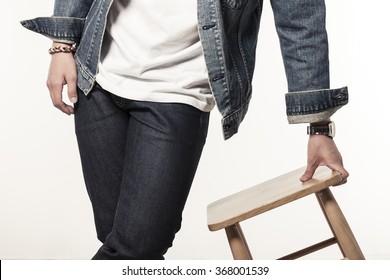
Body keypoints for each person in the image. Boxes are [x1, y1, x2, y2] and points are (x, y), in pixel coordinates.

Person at [21, 0, 349, 259]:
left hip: (179, 95)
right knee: (119, 242)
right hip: (97, 83)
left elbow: (301, 24)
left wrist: (318, 126)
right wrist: (61, 46)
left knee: (138, 246)